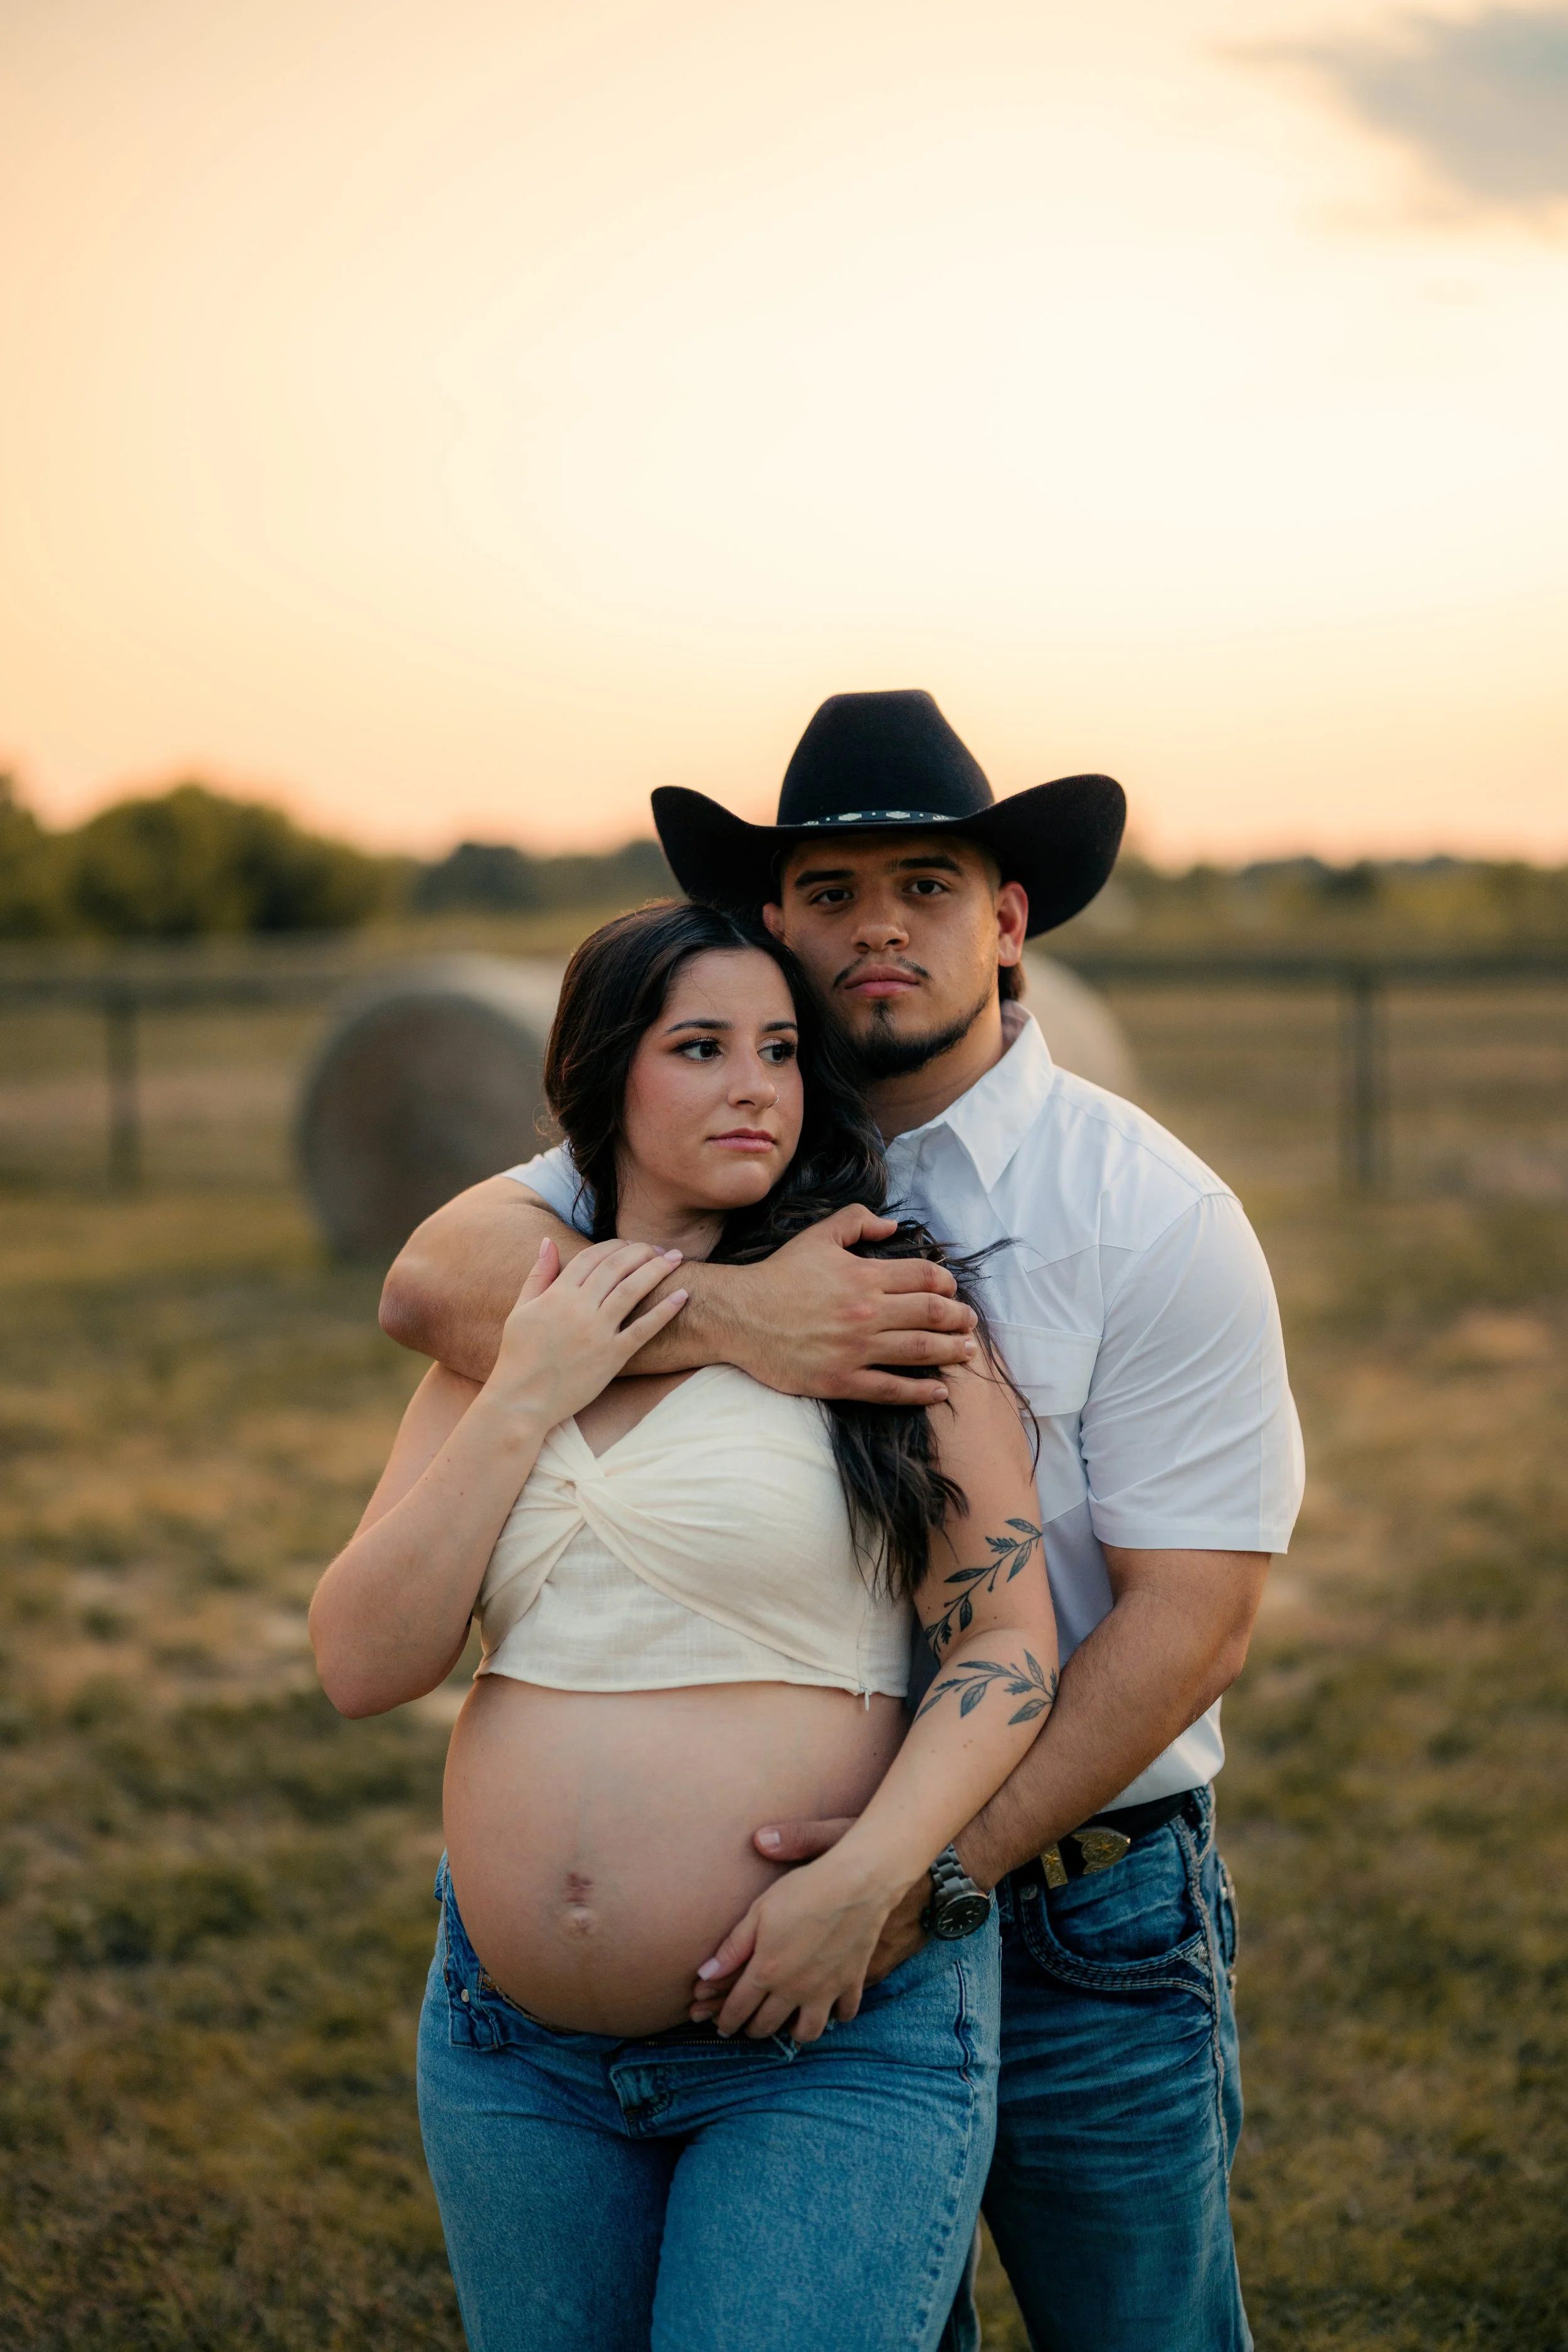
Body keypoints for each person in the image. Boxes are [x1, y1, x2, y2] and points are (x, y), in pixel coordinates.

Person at [384, 689, 1306, 2352]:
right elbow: (432, 1280)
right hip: (771, 1910)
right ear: (773, 926)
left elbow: (1194, 1614)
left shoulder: (1147, 1212)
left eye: (927, 884)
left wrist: (917, 1875)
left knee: (1138, 2327)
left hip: (1074, 1895)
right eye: (828, 891)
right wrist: (746, 1317)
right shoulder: (702, 1145)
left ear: (1010, 917)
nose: (874, 922)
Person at [311, 898, 1057, 2352]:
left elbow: (1006, 1639)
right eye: (700, 1047)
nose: (752, 1086)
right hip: (512, 2055)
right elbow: (361, 1663)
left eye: (779, 1050)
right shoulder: (504, 1333)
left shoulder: (876, 1313)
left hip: (819, 2038)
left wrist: (884, 1874)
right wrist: (532, 1382)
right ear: (604, 1078)